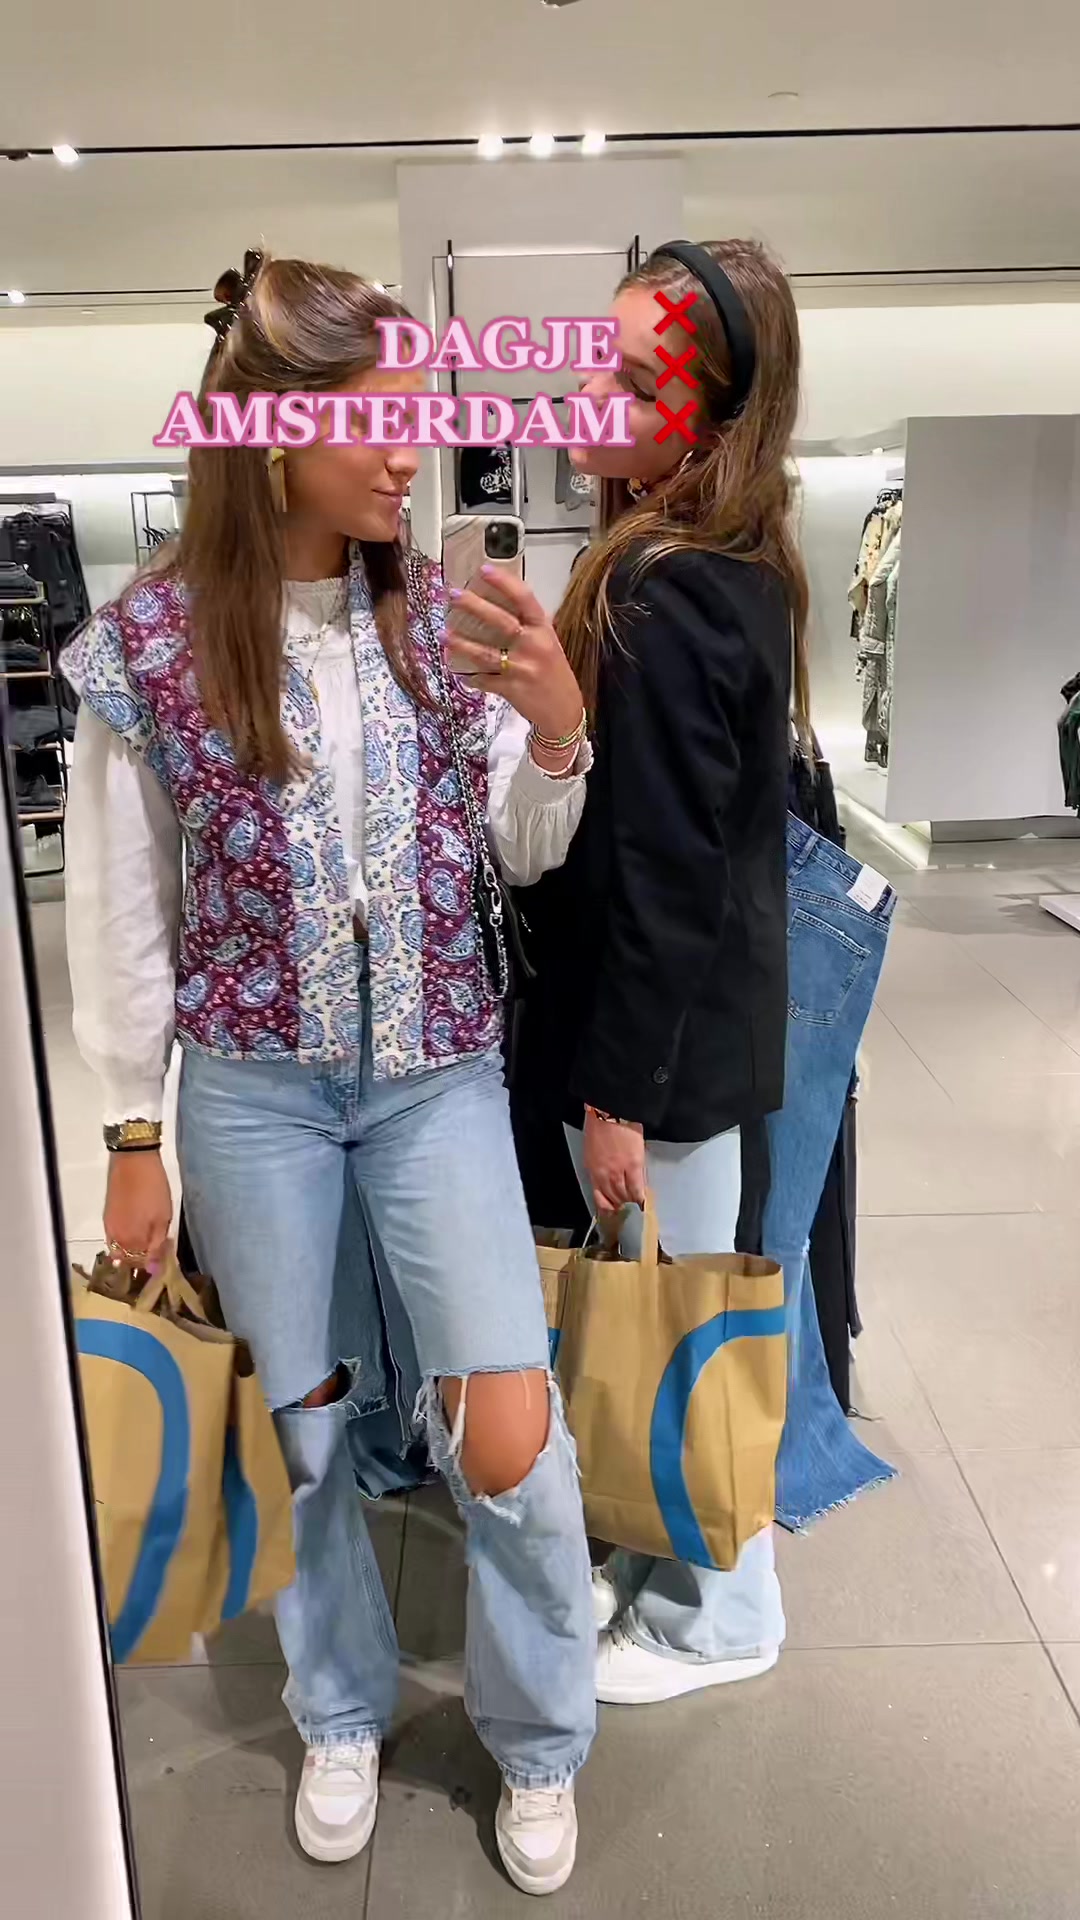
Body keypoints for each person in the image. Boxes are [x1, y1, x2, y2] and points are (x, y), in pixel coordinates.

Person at [62, 250, 596, 1895]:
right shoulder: (152, 645)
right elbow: (123, 905)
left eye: (418, 417)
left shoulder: (443, 618)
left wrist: (559, 728)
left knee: (508, 1427)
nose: (407, 453)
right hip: (254, 1093)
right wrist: (132, 1132)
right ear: (268, 434)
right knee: (302, 1431)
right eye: (374, 420)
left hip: (437, 1080)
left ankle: (540, 1734)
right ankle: (342, 1708)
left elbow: (522, 844)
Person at [476, 237, 803, 1704]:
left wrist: (616, 1092)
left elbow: (669, 872)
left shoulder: (668, 593)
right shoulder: (712, 565)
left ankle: (720, 1614)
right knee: (655, 1307)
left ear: (713, 412)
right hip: (676, 1038)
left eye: (630, 375)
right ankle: (664, 1556)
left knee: (683, 1324)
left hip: (657, 1053)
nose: (588, 395)